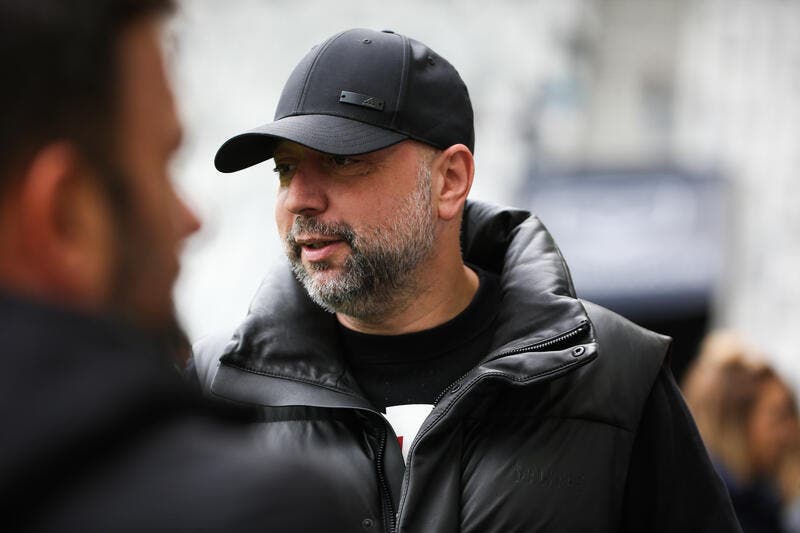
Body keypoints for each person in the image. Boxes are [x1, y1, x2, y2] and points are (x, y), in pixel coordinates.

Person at [193, 28, 742, 532]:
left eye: (341, 161)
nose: (299, 200)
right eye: (285, 169)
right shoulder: (215, 386)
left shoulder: (615, 374)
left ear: (449, 181)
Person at [0, 1, 345, 530]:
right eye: (162, 163)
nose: (192, 219)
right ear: (67, 218)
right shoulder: (251, 512)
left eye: (345, 162)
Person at [683, 332, 800, 533]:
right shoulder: (716, 510)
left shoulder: (760, 498)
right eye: (779, 417)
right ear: (737, 419)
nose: (792, 431)